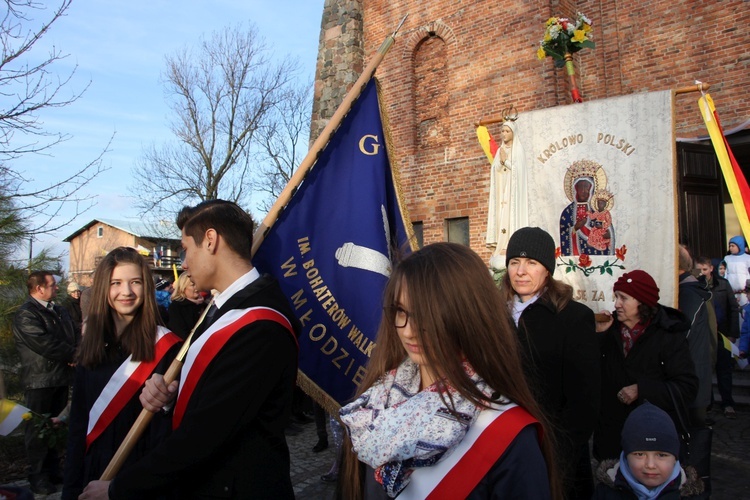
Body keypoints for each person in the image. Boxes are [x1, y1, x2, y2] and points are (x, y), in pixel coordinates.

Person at [82, 199, 300, 499]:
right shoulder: (223, 307)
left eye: (186, 248)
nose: (183, 262)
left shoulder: (260, 323)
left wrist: (119, 489)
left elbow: (206, 434)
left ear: (210, 241)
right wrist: (172, 396)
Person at [339, 243, 560, 499]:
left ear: (467, 315)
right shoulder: (372, 408)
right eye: (401, 311)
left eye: (427, 315)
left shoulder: (507, 435)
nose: (409, 331)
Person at [62, 247, 182, 499]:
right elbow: (78, 424)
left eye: (135, 282)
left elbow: (172, 432)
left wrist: (168, 402)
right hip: (93, 470)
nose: (126, 292)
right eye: (116, 283)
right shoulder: (90, 347)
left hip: (138, 477)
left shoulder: (168, 348)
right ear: (104, 289)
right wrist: (71, 489)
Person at [500, 227, 600, 499]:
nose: (521, 271)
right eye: (514, 262)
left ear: (547, 270)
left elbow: (584, 401)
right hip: (500, 446)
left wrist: (555, 453)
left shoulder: (573, 318)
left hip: (554, 453)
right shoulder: (492, 315)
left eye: (531, 262)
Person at [594, 270, 698, 461]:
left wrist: (642, 390)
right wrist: (599, 336)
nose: (616, 304)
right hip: (611, 440)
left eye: (623, 298)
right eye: (616, 297)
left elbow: (687, 387)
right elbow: (592, 377)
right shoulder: (609, 331)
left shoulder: (668, 335)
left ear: (642, 302)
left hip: (651, 442)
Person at [12, 271, 77, 494]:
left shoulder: (58, 311)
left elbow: (72, 335)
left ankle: (52, 470)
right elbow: (44, 343)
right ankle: (38, 476)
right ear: (39, 289)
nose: (57, 288)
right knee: (38, 430)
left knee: (54, 427)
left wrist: (76, 351)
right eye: (52, 285)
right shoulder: (26, 314)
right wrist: (72, 355)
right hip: (39, 379)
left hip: (60, 377)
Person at [593, 402, 704, 499]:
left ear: (675, 458)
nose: (650, 465)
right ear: (626, 456)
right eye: (640, 454)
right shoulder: (605, 493)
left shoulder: (691, 495)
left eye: (661, 455)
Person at [476, 120, 528, 269]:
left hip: (513, 193)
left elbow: (520, 172)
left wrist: (506, 162)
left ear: (513, 133)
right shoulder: (500, 150)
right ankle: (501, 244)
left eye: (507, 131)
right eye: (502, 131)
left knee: (510, 217)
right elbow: (495, 169)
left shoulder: (518, 150)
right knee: (501, 217)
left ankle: (510, 243)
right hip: (502, 190)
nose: (504, 134)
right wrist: (500, 162)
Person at [695, 256, 739, 419]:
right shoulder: (697, 286)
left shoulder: (723, 285)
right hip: (705, 335)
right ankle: (709, 403)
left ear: (711, 269)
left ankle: (727, 402)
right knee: (705, 370)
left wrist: (733, 334)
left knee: (724, 370)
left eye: (704, 270)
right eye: (699, 270)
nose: (702, 273)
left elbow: (733, 309)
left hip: (722, 334)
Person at [677, 245, 713, 427]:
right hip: (692, 381)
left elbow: (681, 336)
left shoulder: (688, 294)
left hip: (690, 382)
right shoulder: (691, 290)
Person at [559, 159, 613, 256]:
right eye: (581, 187)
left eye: (587, 187)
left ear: (591, 189)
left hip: (596, 253)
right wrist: (575, 227)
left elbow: (609, 230)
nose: (584, 190)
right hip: (575, 256)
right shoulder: (568, 211)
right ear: (575, 189)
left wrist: (608, 235)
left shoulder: (597, 209)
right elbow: (563, 232)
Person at [167, 272, 207, 339]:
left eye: (197, 284)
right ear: (183, 287)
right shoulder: (176, 307)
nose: (197, 287)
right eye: (193, 285)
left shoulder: (205, 305)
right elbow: (180, 332)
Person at [724, 235, 750, 306]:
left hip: (745, 293)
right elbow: (725, 274)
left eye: (733, 246)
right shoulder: (727, 258)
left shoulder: (748, 258)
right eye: (730, 246)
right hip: (731, 292)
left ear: (740, 246)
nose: (730, 248)